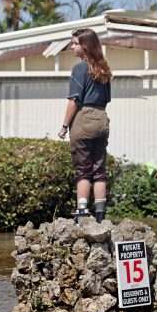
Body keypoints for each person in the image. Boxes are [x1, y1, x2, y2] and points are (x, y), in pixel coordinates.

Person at [57, 28, 112, 223]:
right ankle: (100, 215)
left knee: (82, 169)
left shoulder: (79, 68)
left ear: (85, 46)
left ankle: (81, 212)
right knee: (99, 170)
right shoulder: (104, 68)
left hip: (84, 119)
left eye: (75, 43)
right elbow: (106, 100)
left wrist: (64, 127)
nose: (72, 47)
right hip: (102, 118)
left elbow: (74, 101)